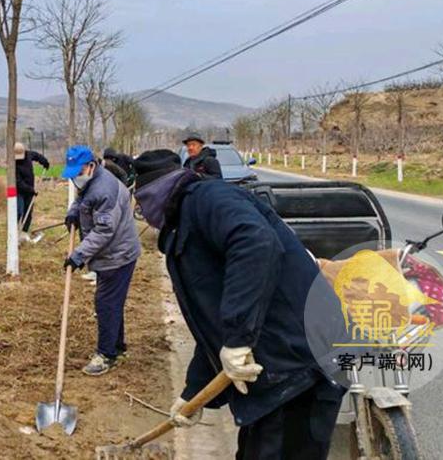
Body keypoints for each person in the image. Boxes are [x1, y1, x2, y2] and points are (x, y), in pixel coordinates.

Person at [132, 149, 345, 460]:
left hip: (300, 364)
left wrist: (237, 339)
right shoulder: (186, 223)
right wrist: (193, 393)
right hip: (276, 368)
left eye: (141, 204)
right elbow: (211, 325)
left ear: (154, 195)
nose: (144, 215)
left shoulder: (208, 200)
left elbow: (255, 242)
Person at [61, 145, 142, 376]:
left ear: (90, 166)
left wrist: (78, 255)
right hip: (112, 252)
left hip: (118, 255)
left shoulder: (104, 189)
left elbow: (104, 231)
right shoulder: (91, 179)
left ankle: (106, 354)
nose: (76, 178)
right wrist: (74, 212)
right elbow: (82, 197)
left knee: (106, 303)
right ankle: (117, 346)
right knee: (112, 302)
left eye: (78, 172)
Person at [14, 141, 50, 234]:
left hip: (30, 187)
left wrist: (45, 162)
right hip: (18, 191)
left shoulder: (28, 154)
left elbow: (37, 156)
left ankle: (24, 232)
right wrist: (32, 190)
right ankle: (14, 231)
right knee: (19, 211)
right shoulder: (13, 165)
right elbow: (18, 183)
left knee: (28, 211)